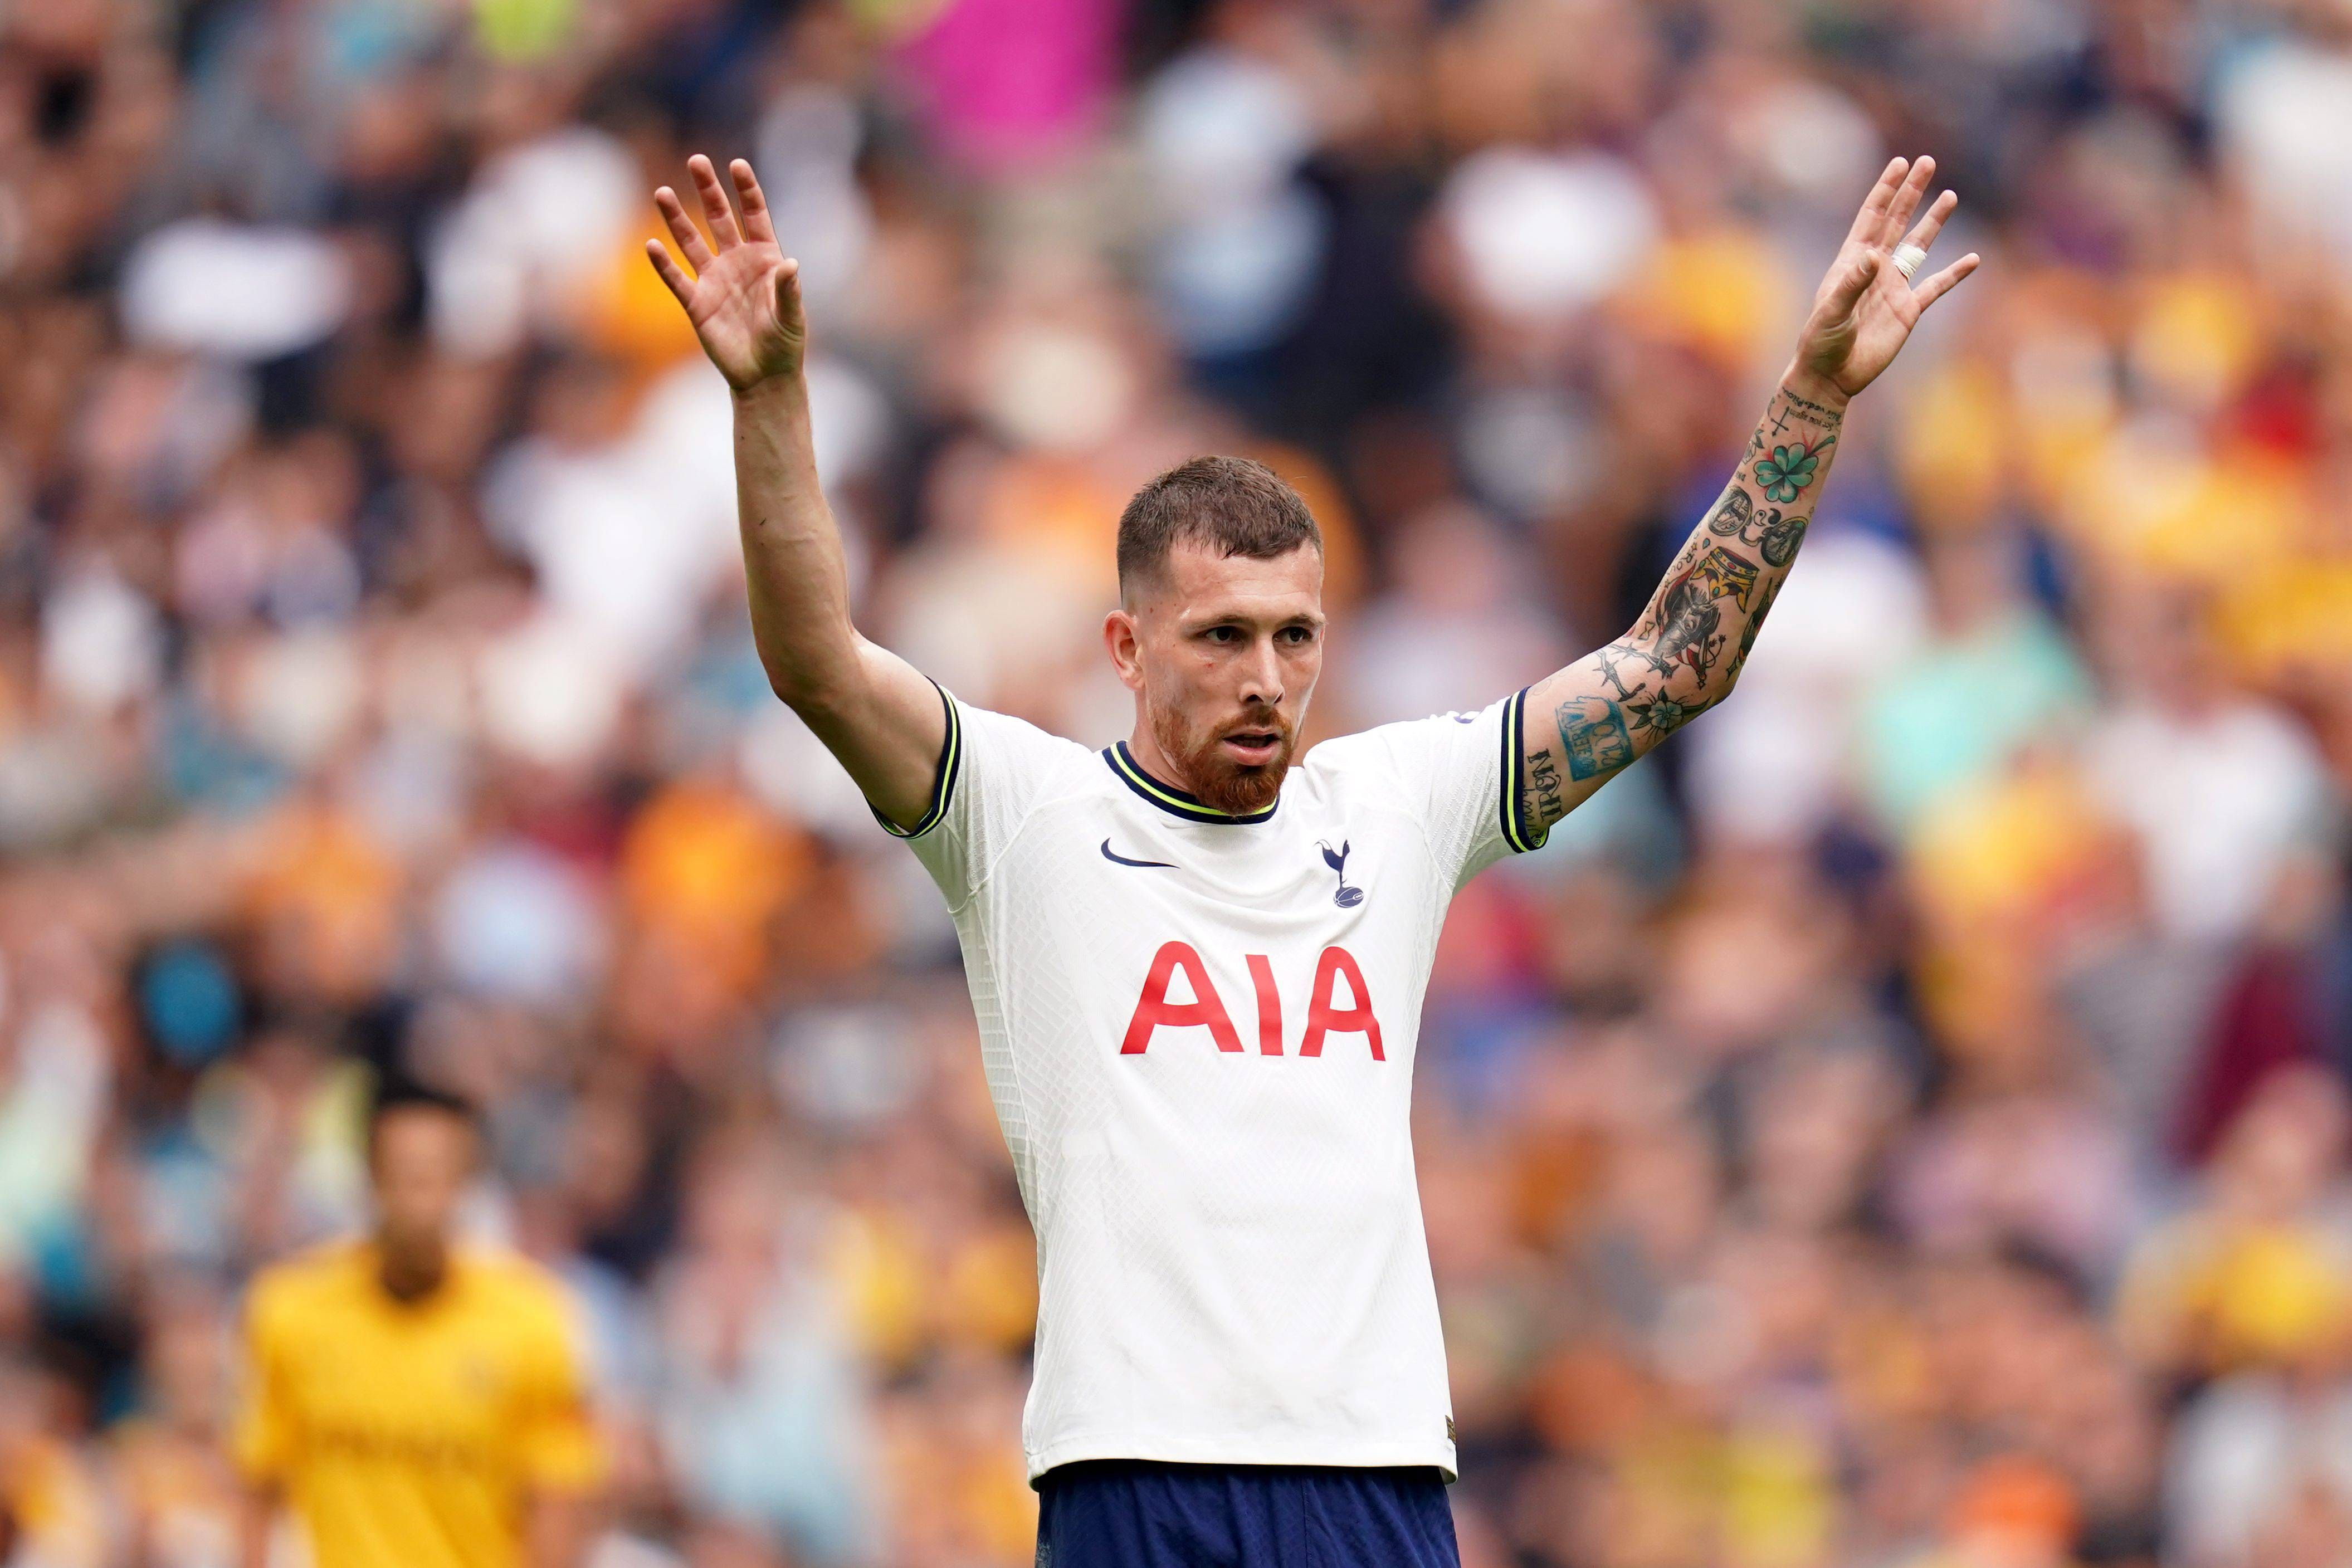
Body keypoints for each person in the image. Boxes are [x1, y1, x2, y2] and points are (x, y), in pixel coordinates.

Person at [644, 149, 1978, 1566]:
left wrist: (1813, 398)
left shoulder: (1393, 802)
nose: (1267, 677)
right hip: (1133, 1466)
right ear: (1126, 648)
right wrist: (768, 396)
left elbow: (1674, 664)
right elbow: (817, 666)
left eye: (1295, 635)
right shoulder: (1024, 819)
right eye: (1221, 637)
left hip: (1373, 1465)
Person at [229, 1081, 605, 1568]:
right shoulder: (292, 1310)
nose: (417, 1200)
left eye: (434, 1177)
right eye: (402, 1175)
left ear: (466, 1183)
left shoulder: (531, 1322)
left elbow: (557, 1501)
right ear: (370, 1177)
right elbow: (258, 1484)